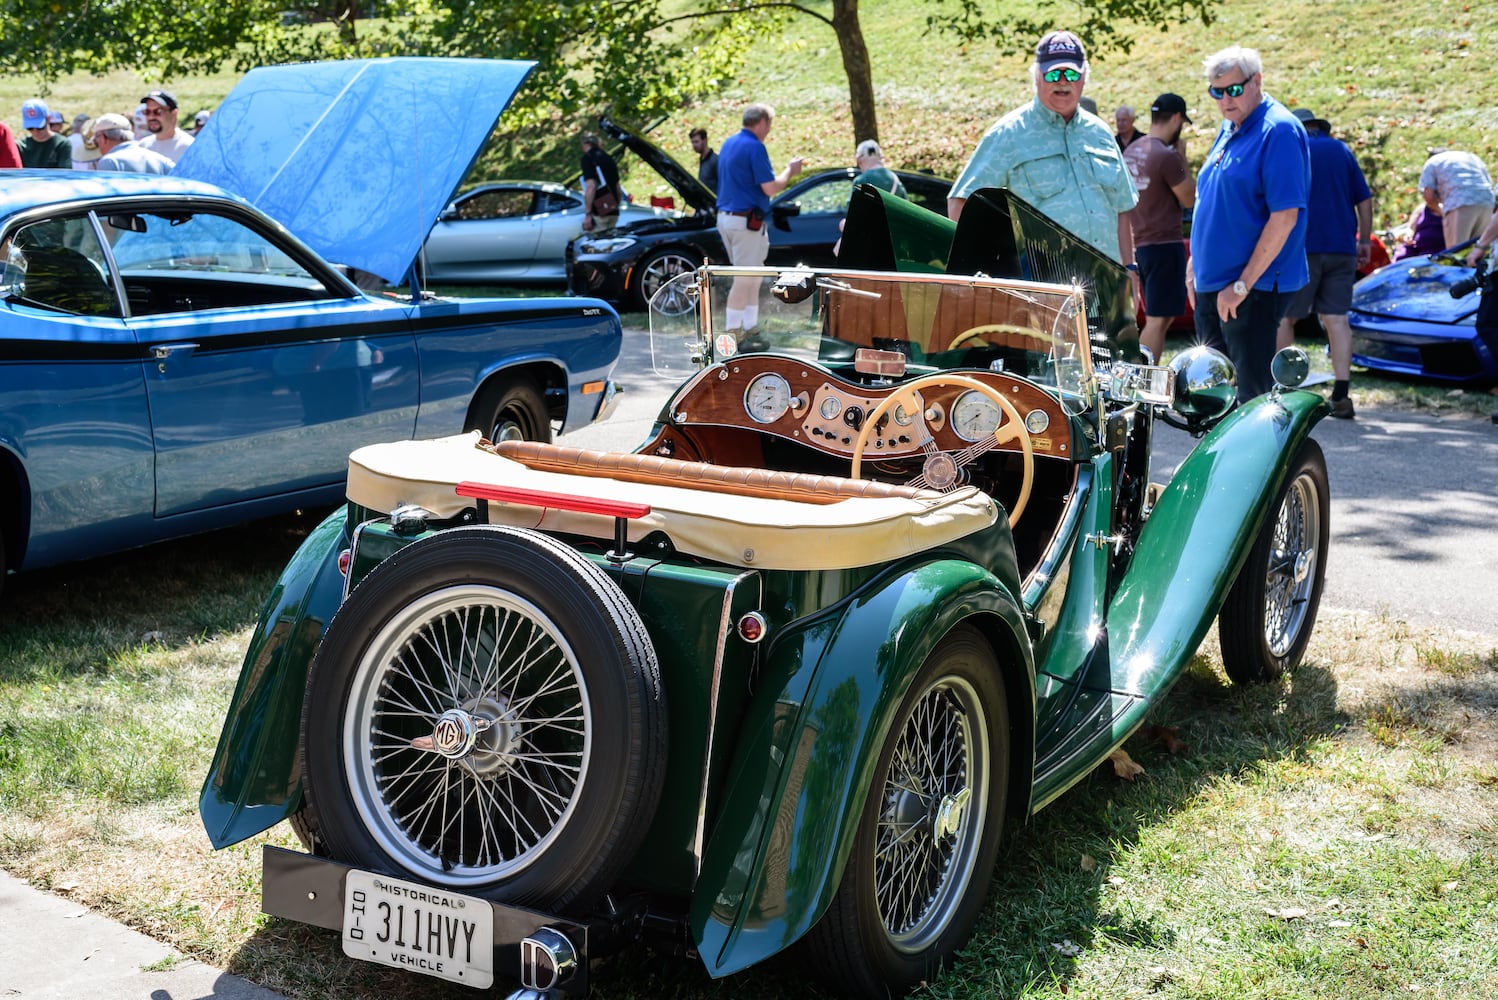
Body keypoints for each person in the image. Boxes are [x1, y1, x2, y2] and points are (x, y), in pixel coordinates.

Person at [948, 30, 1138, 264]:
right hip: (1042, 291)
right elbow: (962, 202)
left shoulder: (1101, 134)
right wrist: (983, 271)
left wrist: (1130, 270)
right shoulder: (1009, 133)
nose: (1062, 81)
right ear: (1036, 77)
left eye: (1071, 73)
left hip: (1108, 287)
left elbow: (1122, 208)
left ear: (1084, 78)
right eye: (1052, 74)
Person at [1187, 45, 1309, 401]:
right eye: (1217, 91)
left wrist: (1241, 285)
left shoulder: (1279, 130)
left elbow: (1285, 217)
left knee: (1250, 400)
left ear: (1256, 81)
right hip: (1215, 285)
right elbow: (1210, 199)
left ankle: (1258, 459)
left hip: (1250, 290)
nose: (1225, 99)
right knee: (1210, 395)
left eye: (1234, 89)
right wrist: (1195, 265)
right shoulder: (1230, 126)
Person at [1274, 109, 1372, 419]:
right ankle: (1342, 394)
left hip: (1302, 247)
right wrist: (1365, 239)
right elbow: (1364, 199)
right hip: (1342, 247)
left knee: (1285, 318)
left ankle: (1285, 390)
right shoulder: (1341, 150)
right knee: (1336, 319)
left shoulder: (1294, 148)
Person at [716, 103, 804, 334]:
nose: (769, 130)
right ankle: (733, 331)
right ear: (763, 122)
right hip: (745, 222)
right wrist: (789, 171)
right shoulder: (755, 147)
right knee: (745, 277)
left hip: (727, 218)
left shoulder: (729, 143)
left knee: (752, 275)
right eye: (769, 125)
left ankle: (750, 326)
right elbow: (770, 188)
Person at [1123, 93, 1196, 359]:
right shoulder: (1167, 156)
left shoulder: (1132, 150)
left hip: (1137, 243)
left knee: (1156, 319)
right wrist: (1183, 160)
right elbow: (1189, 198)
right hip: (1164, 245)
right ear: (1176, 118)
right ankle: (1143, 378)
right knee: (1158, 319)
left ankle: (1141, 374)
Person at [1419, 148, 1494, 248]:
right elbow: (1489, 183)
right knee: (1478, 251)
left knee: (1456, 252)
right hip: (1487, 202)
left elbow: (1429, 196)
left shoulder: (1432, 162)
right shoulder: (1471, 157)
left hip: (1459, 202)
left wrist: (1442, 212)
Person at [91, 113, 174, 175]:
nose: (98, 147)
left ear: (102, 138)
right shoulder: (161, 160)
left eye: (96, 141)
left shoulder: (109, 162)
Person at [579, 133, 623, 235]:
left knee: (600, 245)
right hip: (613, 210)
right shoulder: (608, 158)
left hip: (599, 211)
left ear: (586, 144)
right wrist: (615, 205)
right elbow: (617, 187)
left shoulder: (587, 159)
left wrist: (588, 214)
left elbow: (591, 187)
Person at [138, 90, 194, 163]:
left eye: (158, 111)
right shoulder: (142, 146)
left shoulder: (189, 147)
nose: (151, 117)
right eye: (147, 112)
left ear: (174, 113)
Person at [17, 100, 70, 169]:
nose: (35, 131)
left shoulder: (61, 144)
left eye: (40, 127)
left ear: (48, 119)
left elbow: (64, 173)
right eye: (30, 128)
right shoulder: (20, 146)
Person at [689, 127, 718, 193]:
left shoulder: (714, 161)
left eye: (696, 142)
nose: (694, 145)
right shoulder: (703, 160)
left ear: (705, 140)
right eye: (692, 142)